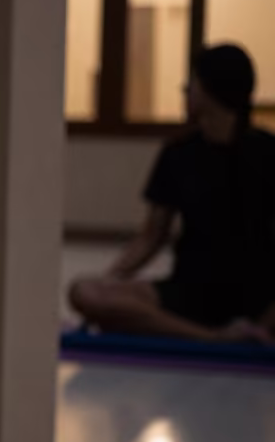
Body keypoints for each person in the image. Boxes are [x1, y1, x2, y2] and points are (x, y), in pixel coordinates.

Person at [69, 44, 275, 343]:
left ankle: (253, 329)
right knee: (84, 291)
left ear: (211, 89)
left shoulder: (267, 152)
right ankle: (214, 337)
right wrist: (110, 280)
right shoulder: (178, 154)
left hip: (258, 294)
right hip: (189, 291)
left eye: (192, 81)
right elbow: (151, 236)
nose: (185, 89)